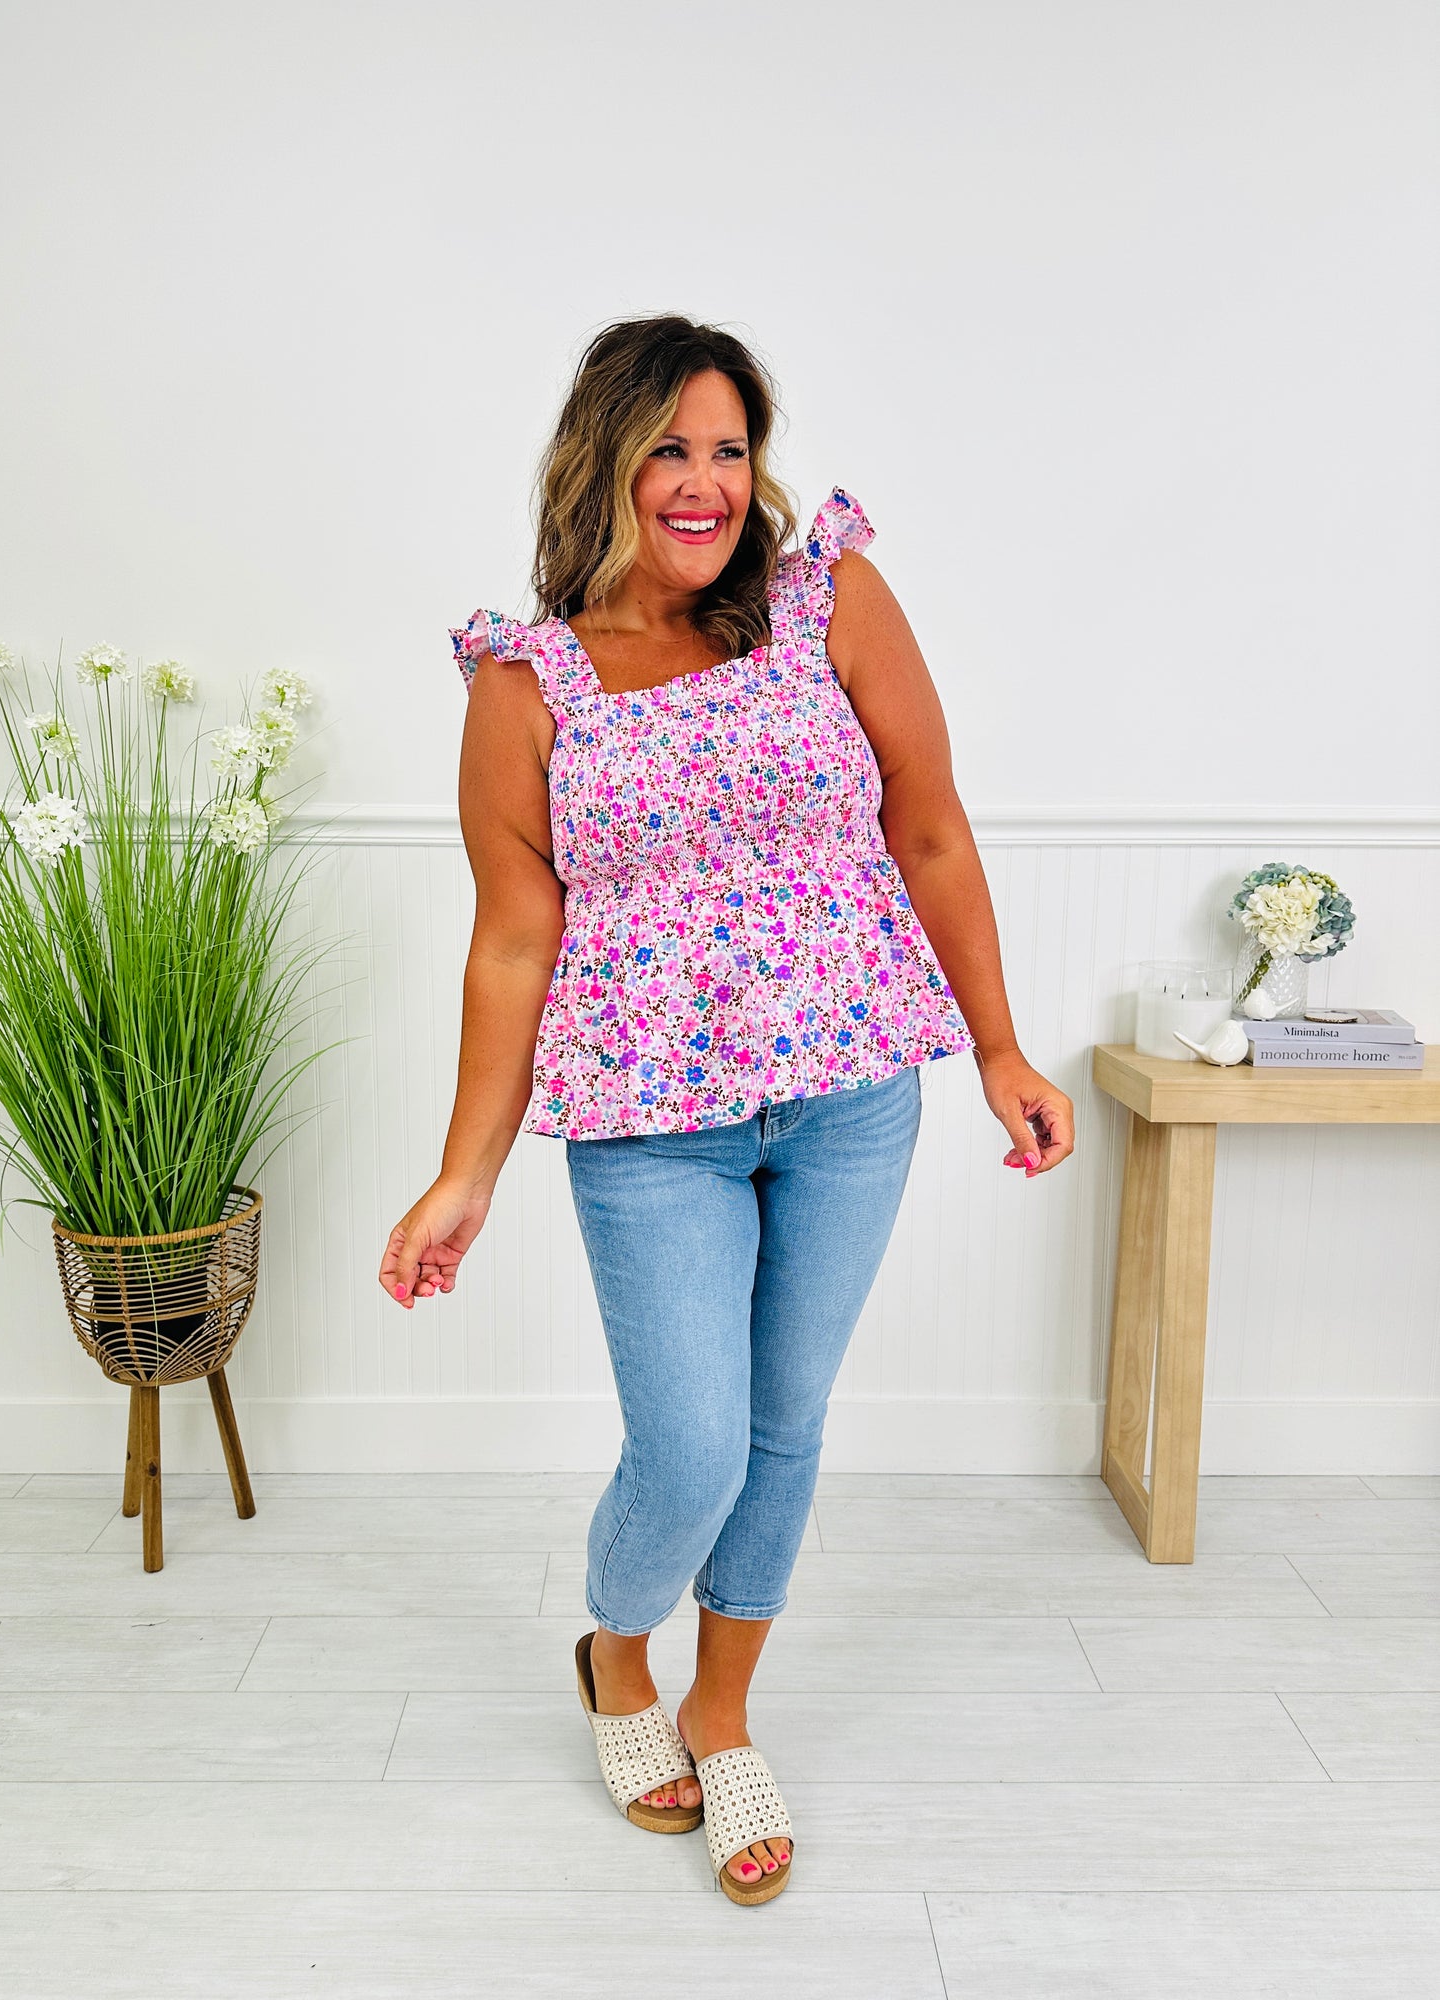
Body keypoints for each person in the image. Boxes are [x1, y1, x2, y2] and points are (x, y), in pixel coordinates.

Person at [380, 314, 1074, 1905]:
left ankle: (724, 1707)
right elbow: (513, 940)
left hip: (852, 1097)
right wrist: (463, 1173)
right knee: (690, 1448)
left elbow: (931, 829)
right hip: (650, 1127)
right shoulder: (526, 682)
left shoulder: (831, 598)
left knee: (783, 1428)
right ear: (603, 463)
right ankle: (620, 1654)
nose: (705, 483)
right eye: (670, 450)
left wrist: (1001, 1051)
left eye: (730, 448)